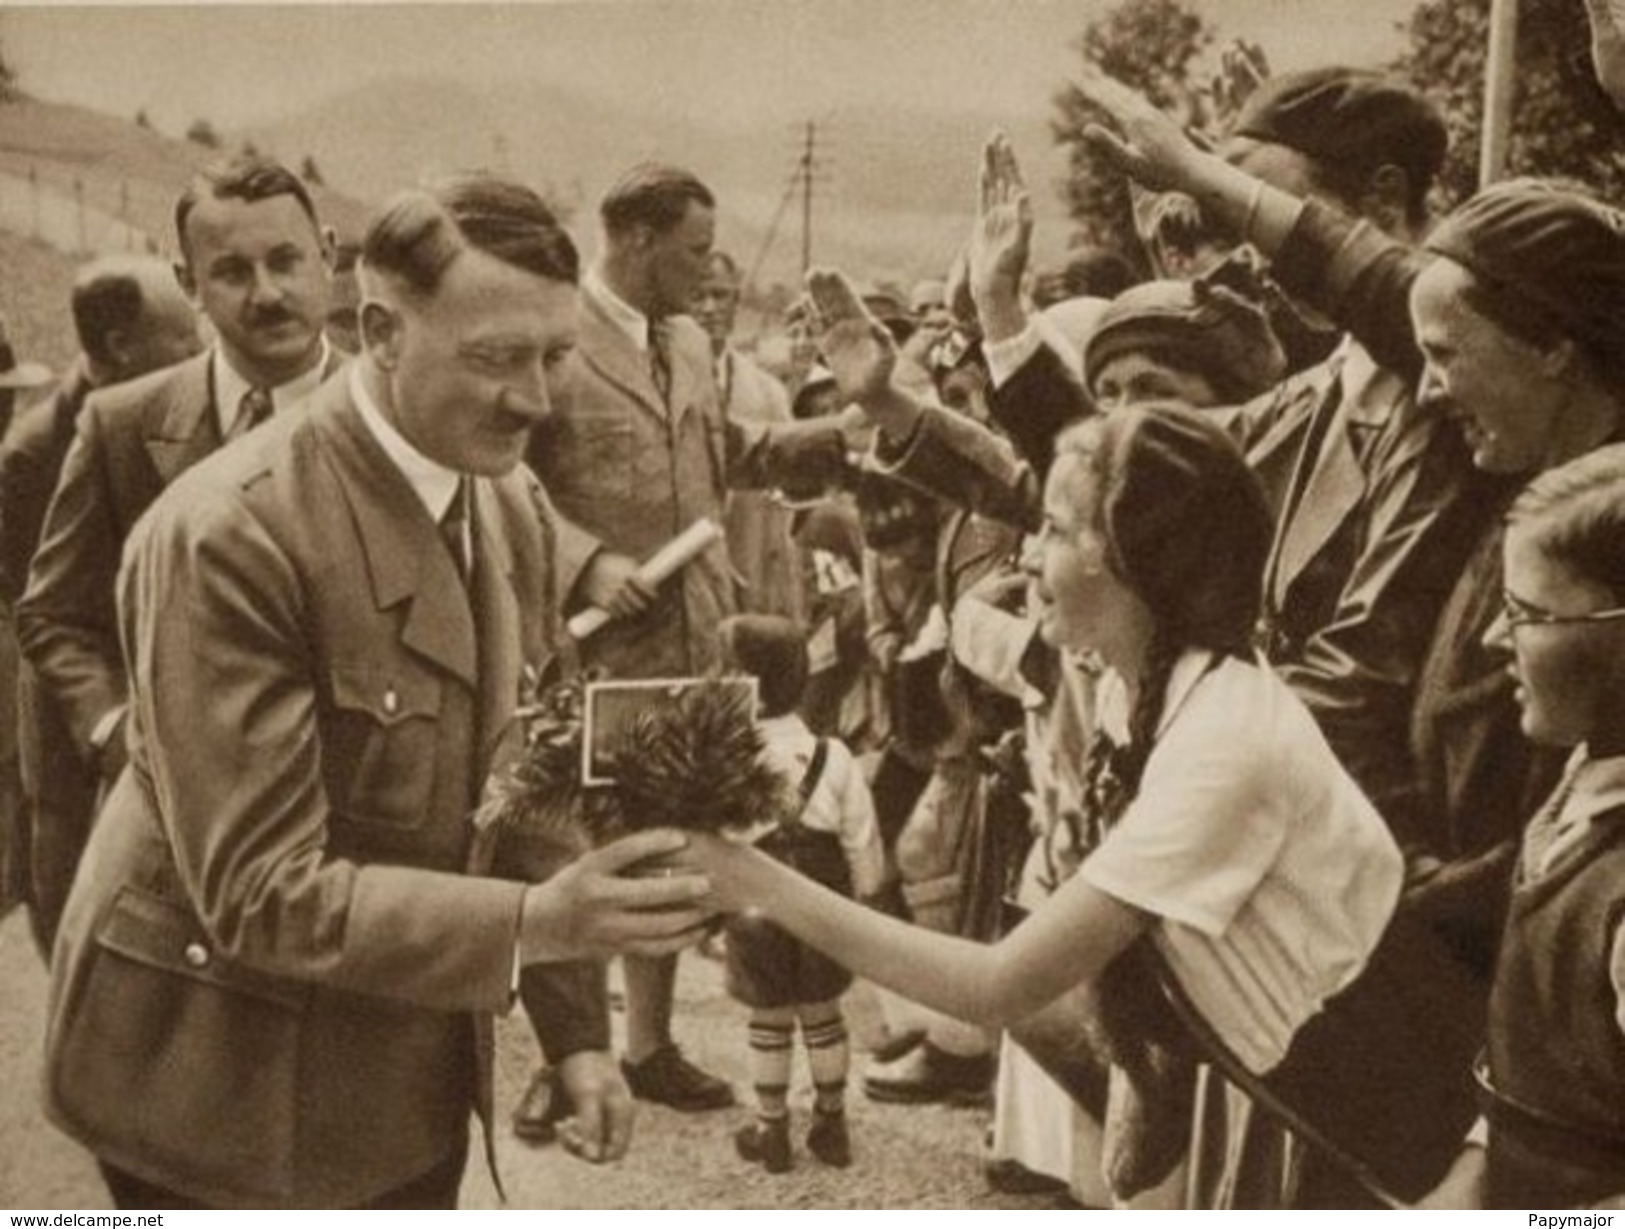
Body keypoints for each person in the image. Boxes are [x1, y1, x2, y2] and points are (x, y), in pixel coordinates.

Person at [42, 171, 714, 1210]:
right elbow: (263, 893)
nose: (535, 399)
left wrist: (577, 1033)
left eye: (554, 354)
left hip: (396, 1081)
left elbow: (522, 782)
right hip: (214, 1101)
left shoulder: (509, 500)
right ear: (381, 331)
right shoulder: (231, 532)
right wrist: (538, 920)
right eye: (495, 358)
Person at [683, 320, 1404, 1203]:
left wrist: (750, 875)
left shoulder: (1224, 739)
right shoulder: (1140, 683)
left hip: (1373, 1109)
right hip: (1266, 1076)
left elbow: (1000, 984)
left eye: (1056, 532)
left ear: (1135, 563)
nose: (1028, 559)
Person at [524, 163, 849, 1118]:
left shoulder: (691, 344)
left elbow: (731, 454)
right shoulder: (555, 341)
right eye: (695, 250)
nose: (709, 270)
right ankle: (563, 1056)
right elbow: (504, 480)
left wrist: (848, 427)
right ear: (633, 240)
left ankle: (648, 1046)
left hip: (691, 641)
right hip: (592, 652)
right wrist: (584, 564)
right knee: (575, 851)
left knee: (667, 844)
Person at [18, 156, 343, 951]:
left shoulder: (392, 419)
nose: (266, 292)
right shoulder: (123, 426)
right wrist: (112, 728)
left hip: (344, 839)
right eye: (231, 270)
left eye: (286, 260)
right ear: (188, 284)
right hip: (169, 846)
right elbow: (56, 615)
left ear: (328, 255)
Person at [1421, 446, 1625, 1210]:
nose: (1490, 642)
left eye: (1527, 615)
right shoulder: (1575, 786)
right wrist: (1472, 1173)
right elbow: (1544, 1070)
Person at [0, 255, 200, 954]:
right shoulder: (33, 455)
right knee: (64, 849)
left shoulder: (174, 412)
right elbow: (45, 611)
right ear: (121, 346)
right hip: (70, 685)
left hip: (152, 667)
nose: (201, 355)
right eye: (186, 341)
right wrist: (108, 717)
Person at [716, 614, 885, 1174]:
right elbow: (862, 838)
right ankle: (831, 1125)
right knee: (822, 1011)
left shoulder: (731, 757)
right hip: (825, 901)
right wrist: (865, 898)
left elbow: (717, 838)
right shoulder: (834, 756)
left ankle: (771, 1132)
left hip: (757, 901)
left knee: (768, 1017)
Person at [691, 250, 802, 621]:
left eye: (719, 296)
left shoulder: (767, 393)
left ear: (736, 302)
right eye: (697, 295)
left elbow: (784, 510)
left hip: (752, 575)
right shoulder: (653, 386)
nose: (708, 308)